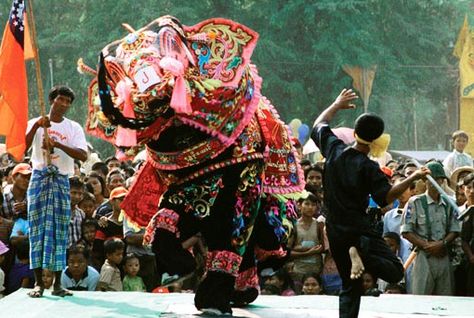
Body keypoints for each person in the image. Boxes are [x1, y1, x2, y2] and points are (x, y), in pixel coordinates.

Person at [311, 89, 429, 318]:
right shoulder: (368, 167)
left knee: (349, 286)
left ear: (354, 133)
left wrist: (336, 104)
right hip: (359, 231)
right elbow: (387, 197)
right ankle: (361, 252)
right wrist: (412, 178)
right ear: (376, 140)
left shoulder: (334, 149)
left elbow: (319, 123)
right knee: (395, 272)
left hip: (335, 229)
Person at [24, 85, 88, 298]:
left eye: (68, 102)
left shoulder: (73, 128)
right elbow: (20, 147)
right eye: (61, 99)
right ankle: (38, 283)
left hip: (61, 180)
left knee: (60, 231)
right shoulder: (36, 123)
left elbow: (83, 155)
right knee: (36, 230)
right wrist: (36, 128)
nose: (64, 104)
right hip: (39, 178)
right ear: (52, 100)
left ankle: (58, 284)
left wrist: (58, 144)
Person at [401, 161, 461, 296]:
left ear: (442, 181)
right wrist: (427, 246)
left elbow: (455, 229)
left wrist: (442, 244)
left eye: (439, 179)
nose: (436, 182)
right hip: (423, 256)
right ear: (425, 180)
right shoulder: (415, 202)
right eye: (432, 179)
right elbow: (406, 231)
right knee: (421, 299)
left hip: (443, 255)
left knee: (445, 300)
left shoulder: (450, 203)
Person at [460, 172, 474, 295]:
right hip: (464, 265)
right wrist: (471, 257)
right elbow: (464, 239)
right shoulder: (456, 212)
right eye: (469, 187)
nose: (472, 191)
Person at [68, 176, 86, 247]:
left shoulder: (81, 214)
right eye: (73, 193)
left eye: (80, 194)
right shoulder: (58, 212)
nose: (77, 196)